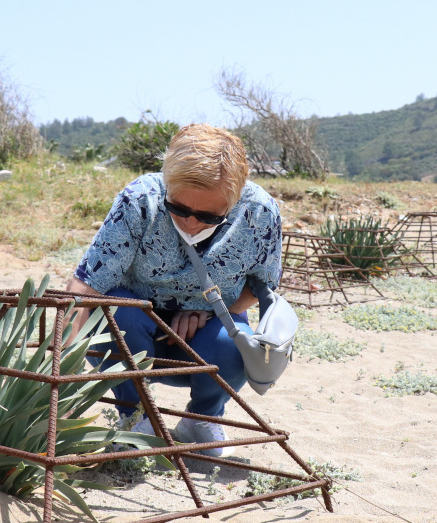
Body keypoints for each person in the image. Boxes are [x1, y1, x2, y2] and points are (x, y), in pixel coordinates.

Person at [63, 124, 282, 456]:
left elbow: (262, 287)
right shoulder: (140, 200)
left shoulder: (259, 212)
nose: (191, 223)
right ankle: (136, 416)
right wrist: (63, 370)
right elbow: (85, 286)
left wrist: (208, 311)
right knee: (117, 311)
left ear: (234, 199)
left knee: (236, 344)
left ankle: (202, 416)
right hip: (132, 330)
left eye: (209, 216)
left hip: (203, 333)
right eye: (179, 209)